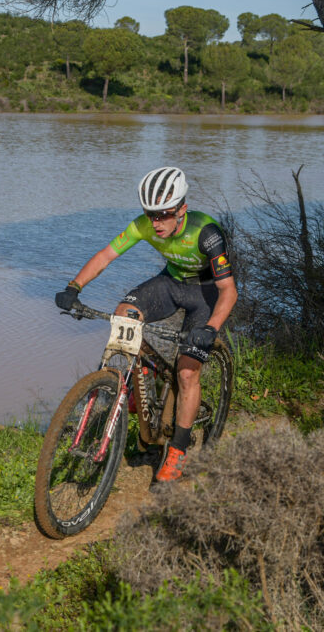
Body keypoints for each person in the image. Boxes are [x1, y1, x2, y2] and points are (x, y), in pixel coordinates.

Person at [55, 166, 237, 482]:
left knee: (186, 370)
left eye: (164, 214)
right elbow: (105, 256)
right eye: (150, 214)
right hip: (171, 283)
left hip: (205, 293)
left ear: (182, 209)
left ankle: (177, 451)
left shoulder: (207, 234)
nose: (156, 222)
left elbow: (228, 291)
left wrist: (210, 329)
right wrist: (74, 287)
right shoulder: (145, 226)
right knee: (124, 313)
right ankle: (134, 395)